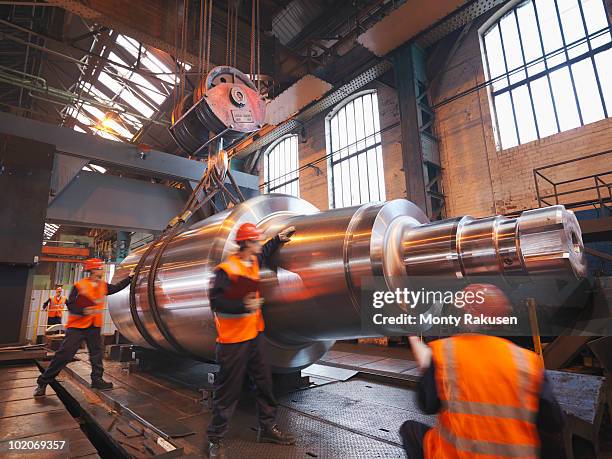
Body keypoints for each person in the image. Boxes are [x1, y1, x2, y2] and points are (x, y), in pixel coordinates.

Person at [400, 284, 565, 459]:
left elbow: (427, 404)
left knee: (410, 430)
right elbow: (554, 422)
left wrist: (426, 366)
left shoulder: (446, 353)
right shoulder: (527, 361)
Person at [206, 223, 296, 459]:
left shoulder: (253, 260)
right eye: (255, 241)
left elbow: (265, 251)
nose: (259, 245)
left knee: (265, 382)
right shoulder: (226, 270)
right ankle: (215, 436)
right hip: (233, 341)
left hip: (255, 336)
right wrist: (244, 305)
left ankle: (267, 428)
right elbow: (218, 303)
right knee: (228, 390)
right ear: (246, 244)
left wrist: (277, 239)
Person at [34, 258, 134, 397]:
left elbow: (115, 288)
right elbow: (70, 304)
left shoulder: (102, 285)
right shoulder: (79, 286)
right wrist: (83, 311)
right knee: (65, 354)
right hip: (77, 327)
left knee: (96, 353)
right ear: (93, 270)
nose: (102, 270)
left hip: (94, 326)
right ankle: (43, 381)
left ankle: (97, 379)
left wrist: (129, 278)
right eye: (100, 268)